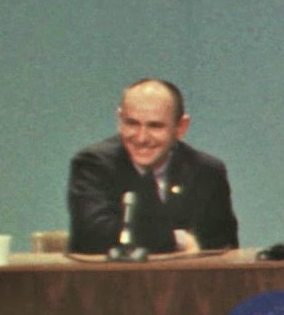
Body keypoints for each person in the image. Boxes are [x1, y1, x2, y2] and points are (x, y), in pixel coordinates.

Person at [68, 78, 239, 254]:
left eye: (155, 126)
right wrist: (177, 240)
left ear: (181, 127)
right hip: (107, 280)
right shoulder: (93, 165)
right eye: (132, 124)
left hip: (188, 280)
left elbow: (224, 248)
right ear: (119, 120)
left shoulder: (206, 172)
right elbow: (95, 236)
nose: (142, 138)